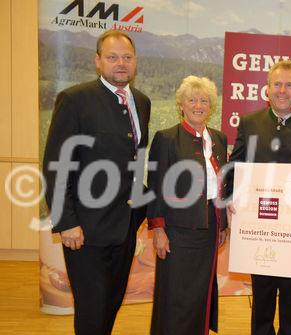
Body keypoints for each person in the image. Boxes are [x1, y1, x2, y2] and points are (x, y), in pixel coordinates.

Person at [43, 30, 151, 334]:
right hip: (84, 229)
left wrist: (141, 207)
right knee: (91, 310)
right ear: (97, 61)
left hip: (126, 226)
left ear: (135, 62)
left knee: (111, 303)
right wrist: (66, 221)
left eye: (127, 57)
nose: (121, 63)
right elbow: (56, 163)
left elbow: (137, 157)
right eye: (112, 57)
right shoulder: (76, 99)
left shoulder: (141, 102)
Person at [227, 60, 291, 335]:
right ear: (266, 89)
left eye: (289, 85)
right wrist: (232, 198)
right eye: (277, 84)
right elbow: (236, 166)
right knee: (263, 289)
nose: (282, 90)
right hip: (259, 224)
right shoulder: (250, 122)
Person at [146, 75, 228, 335]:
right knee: (175, 296)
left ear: (211, 106)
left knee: (199, 295)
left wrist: (223, 223)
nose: (198, 105)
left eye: (204, 100)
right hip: (177, 232)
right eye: (192, 99)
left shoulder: (219, 139)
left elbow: (221, 185)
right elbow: (156, 187)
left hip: (209, 229)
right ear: (181, 105)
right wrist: (158, 230)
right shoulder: (167, 138)